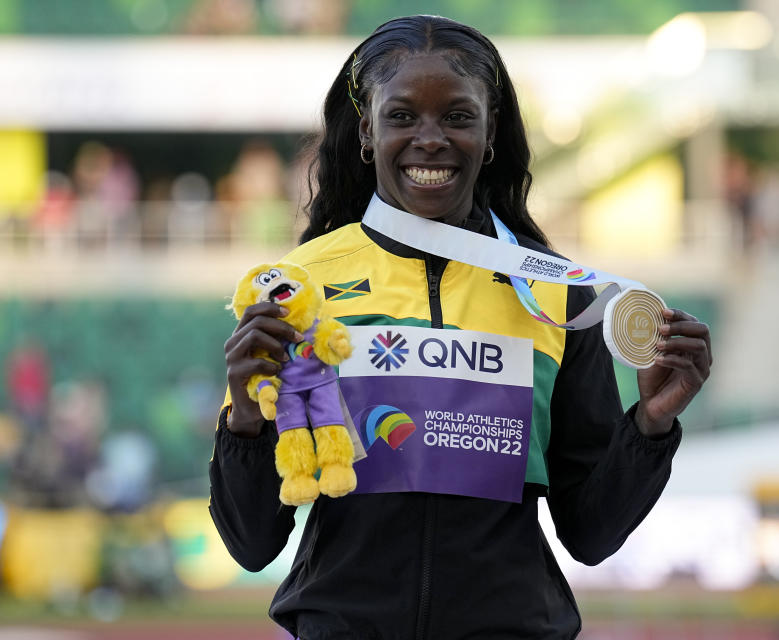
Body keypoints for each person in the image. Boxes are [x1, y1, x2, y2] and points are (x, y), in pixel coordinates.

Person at [210, 15, 712, 640]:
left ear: (490, 130)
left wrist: (651, 425)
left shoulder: (554, 294)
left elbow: (590, 534)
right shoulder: (296, 288)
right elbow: (252, 542)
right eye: (402, 117)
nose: (430, 139)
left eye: (456, 116)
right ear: (366, 130)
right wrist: (247, 423)